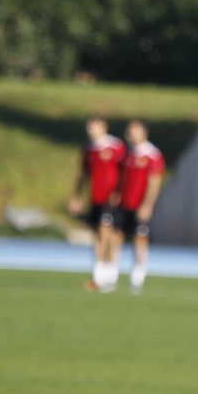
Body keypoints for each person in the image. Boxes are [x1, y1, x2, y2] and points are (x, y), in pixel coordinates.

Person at [67, 116, 126, 293]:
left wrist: (119, 192)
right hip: (96, 198)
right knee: (98, 236)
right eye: (89, 126)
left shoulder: (116, 147)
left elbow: (125, 172)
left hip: (112, 199)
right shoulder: (88, 148)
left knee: (106, 234)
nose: (90, 129)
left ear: (104, 127)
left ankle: (109, 274)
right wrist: (77, 195)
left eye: (94, 126)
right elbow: (83, 173)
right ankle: (99, 276)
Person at [113, 120, 165, 295]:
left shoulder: (152, 155)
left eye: (134, 131)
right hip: (123, 204)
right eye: (128, 131)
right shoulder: (126, 154)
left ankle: (137, 276)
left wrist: (147, 205)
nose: (130, 134)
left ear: (144, 132)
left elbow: (154, 182)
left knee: (139, 239)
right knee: (116, 236)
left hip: (139, 204)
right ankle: (111, 274)